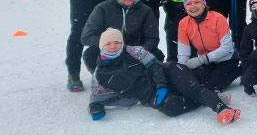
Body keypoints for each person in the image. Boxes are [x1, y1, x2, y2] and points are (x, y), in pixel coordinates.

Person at [88, 28, 241, 124]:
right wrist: (96, 108)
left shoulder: (133, 51)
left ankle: (221, 108)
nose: (113, 46)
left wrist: (161, 85)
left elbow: (154, 64)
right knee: (171, 109)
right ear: (102, 46)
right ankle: (212, 96)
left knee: (192, 89)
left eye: (117, 42)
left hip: (166, 73)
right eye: (109, 43)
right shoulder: (100, 74)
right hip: (152, 95)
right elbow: (96, 98)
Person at [81, 0, 161, 73]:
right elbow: (86, 37)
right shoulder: (102, 8)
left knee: (157, 55)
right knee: (90, 54)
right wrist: (109, 44)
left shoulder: (146, 11)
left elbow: (153, 38)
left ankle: (142, 80)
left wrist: (140, 50)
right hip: (109, 50)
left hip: (135, 51)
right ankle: (105, 79)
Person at [176, 0, 241, 91]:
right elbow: (183, 52)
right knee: (195, 82)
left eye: (197, 2)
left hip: (227, 59)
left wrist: (202, 59)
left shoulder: (218, 18)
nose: (193, 7)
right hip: (207, 62)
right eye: (188, 4)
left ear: (204, 4)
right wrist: (182, 70)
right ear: (185, 7)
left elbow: (227, 47)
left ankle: (240, 70)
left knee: (213, 86)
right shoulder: (183, 23)